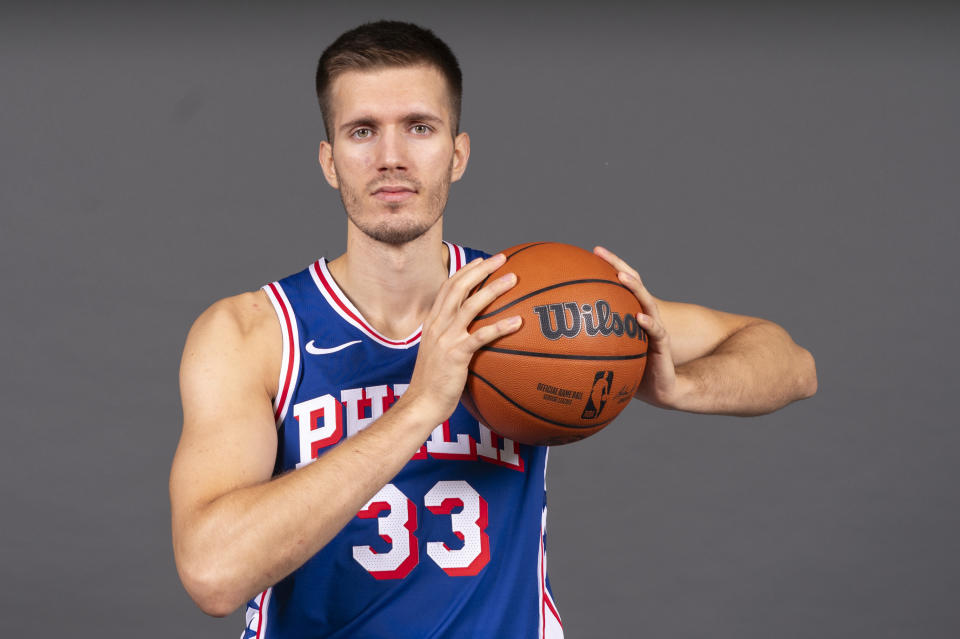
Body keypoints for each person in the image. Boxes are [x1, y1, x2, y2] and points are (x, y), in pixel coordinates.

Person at [170, 20, 817, 638]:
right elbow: (212, 574)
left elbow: (792, 363)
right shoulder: (254, 335)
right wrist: (419, 407)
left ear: (457, 154)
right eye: (362, 131)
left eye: (418, 127)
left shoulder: (531, 303)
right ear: (329, 160)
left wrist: (685, 387)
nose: (391, 157)